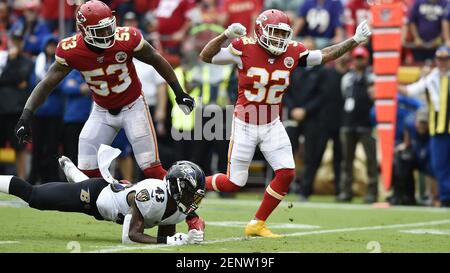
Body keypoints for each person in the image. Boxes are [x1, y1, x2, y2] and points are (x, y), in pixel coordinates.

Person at [199, 9, 371, 237]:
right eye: (274, 32)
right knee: (234, 183)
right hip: (245, 123)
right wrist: (225, 35)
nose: (279, 38)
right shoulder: (243, 47)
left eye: (282, 34)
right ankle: (194, 182)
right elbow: (206, 56)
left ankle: (257, 223)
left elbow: (324, 55)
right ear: (260, 30)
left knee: (287, 173)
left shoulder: (292, 51)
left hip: (272, 123)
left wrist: (354, 40)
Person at [14, 1, 195, 182]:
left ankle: (183, 206)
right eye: (100, 30)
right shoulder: (72, 50)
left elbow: (156, 59)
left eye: (108, 27)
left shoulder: (127, 38)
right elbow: (46, 84)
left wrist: (179, 92)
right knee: (85, 172)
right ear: (84, 31)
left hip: (133, 106)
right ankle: (111, 205)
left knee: (152, 170)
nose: (107, 34)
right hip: (101, 110)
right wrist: (25, 116)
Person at [0, 145, 206, 245]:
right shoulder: (153, 194)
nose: (193, 200)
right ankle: (78, 178)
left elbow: (167, 235)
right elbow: (130, 237)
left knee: (96, 187)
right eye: (190, 193)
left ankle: (75, 175)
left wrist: (192, 235)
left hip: (113, 200)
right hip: (94, 197)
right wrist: (171, 241)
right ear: (176, 187)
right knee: (34, 197)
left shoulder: (179, 208)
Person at [398, 45, 450, 207]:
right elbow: (411, 90)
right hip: (437, 129)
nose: (442, 62)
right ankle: (446, 198)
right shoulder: (431, 78)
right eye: (439, 58)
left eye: (445, 59)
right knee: (438, 165)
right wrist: (391, 82)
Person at [337, 46, 378, 204]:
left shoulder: (372, 77)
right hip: (348, 123)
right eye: (357, 58)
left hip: (367, 124)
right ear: (353, 60)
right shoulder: (347, 78)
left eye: (362, 58)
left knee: (371, 160)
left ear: (367, 59)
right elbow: (343, 96)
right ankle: (346, 191)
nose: (360, 60)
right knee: (346, 160)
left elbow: (376, 98)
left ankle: (372, 193)